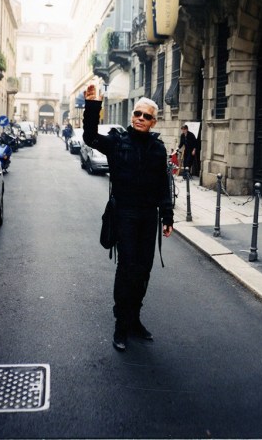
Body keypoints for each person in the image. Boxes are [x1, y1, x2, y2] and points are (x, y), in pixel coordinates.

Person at [83, 84, 173, 352]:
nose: (140, 119)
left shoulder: (158, 149)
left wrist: (167, 216)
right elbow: (89, 137)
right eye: (137, 113)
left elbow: (163, 185)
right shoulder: (117, 141)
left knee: (143, 270)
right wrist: (92, 105)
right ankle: (121, 324)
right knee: (127, 269)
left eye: (146, 116)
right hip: (124, 214)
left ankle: (134, 319)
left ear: (153, 121)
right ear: (131, 116)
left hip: (148, 217)